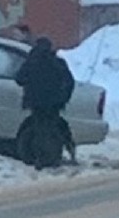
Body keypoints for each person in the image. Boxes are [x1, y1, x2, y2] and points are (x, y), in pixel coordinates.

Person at [14, 37, 77, 167]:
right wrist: (64, 98)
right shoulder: (58, 63)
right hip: (54, 104)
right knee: (53, 129)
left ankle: (41, 158)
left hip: (36, 103)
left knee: (39, 130)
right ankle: (55, 157)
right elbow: (70, 82)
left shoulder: (31, 63)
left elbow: (19, 79)